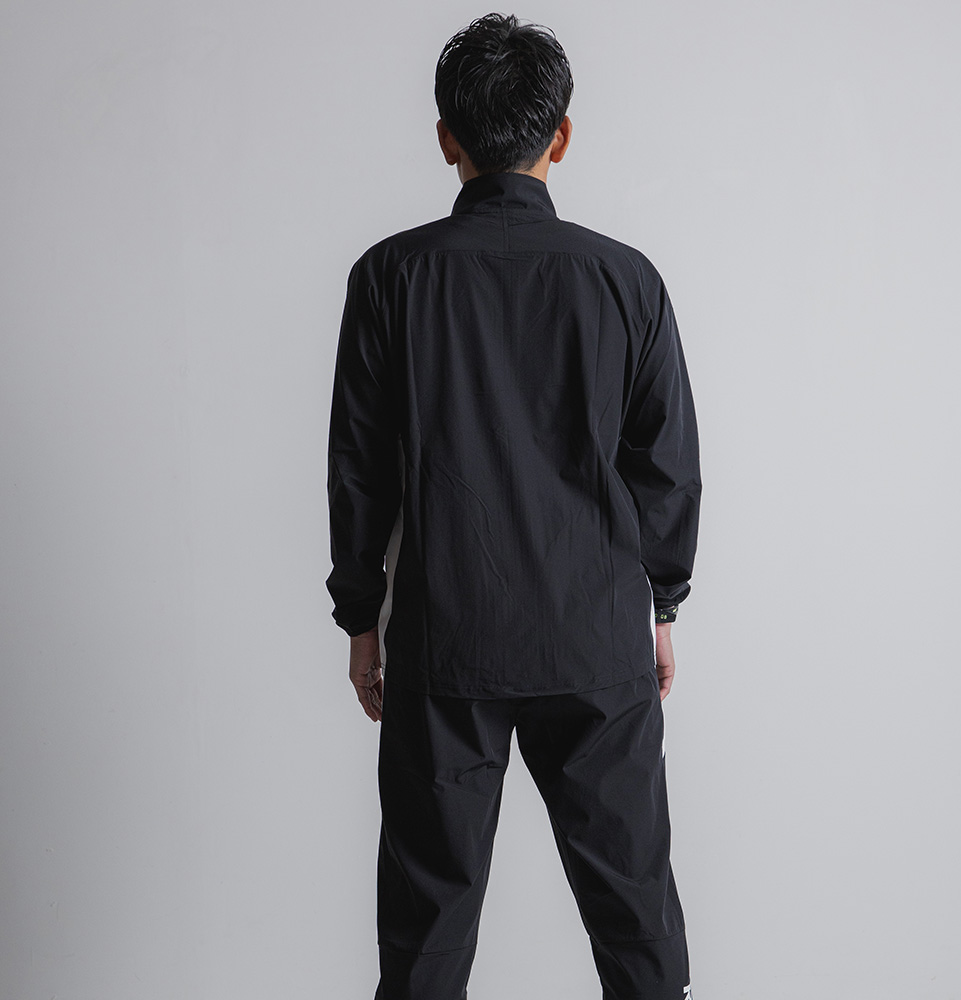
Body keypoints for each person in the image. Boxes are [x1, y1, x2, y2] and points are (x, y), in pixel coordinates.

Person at [326, 12, 701, 999]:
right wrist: (661, 604)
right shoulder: (625, 279)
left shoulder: (390, 277)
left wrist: (362, 620)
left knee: (426, 931)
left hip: (445, 639)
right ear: (560, 136)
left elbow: (358, 469)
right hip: (594, 638)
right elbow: (665, 466)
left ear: (445, 137)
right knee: (636, 914)